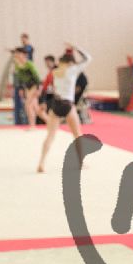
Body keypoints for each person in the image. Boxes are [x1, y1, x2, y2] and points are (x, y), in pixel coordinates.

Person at [37, 44, 91, 172]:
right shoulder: (72, 70)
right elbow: (88, 58)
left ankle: (42, 162)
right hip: (68, 104)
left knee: (50, 135)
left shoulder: (55, 72)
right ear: (70, 63)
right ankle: (80, 162)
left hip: (56, 103)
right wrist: (76, 47)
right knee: (77, 134)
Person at [11, 47, 41, 130]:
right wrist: (20, 88)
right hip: (27, 87)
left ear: (24, 55)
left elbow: (37, 77)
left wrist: (38, 88)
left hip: (34, 86)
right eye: (16, 54)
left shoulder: (29, 64)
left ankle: (32, 125)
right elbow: (19, 78)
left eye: (18, 54)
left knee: (28, 105)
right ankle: (48, 121)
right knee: (35, 108)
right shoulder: (17, 65)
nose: (17, 55)